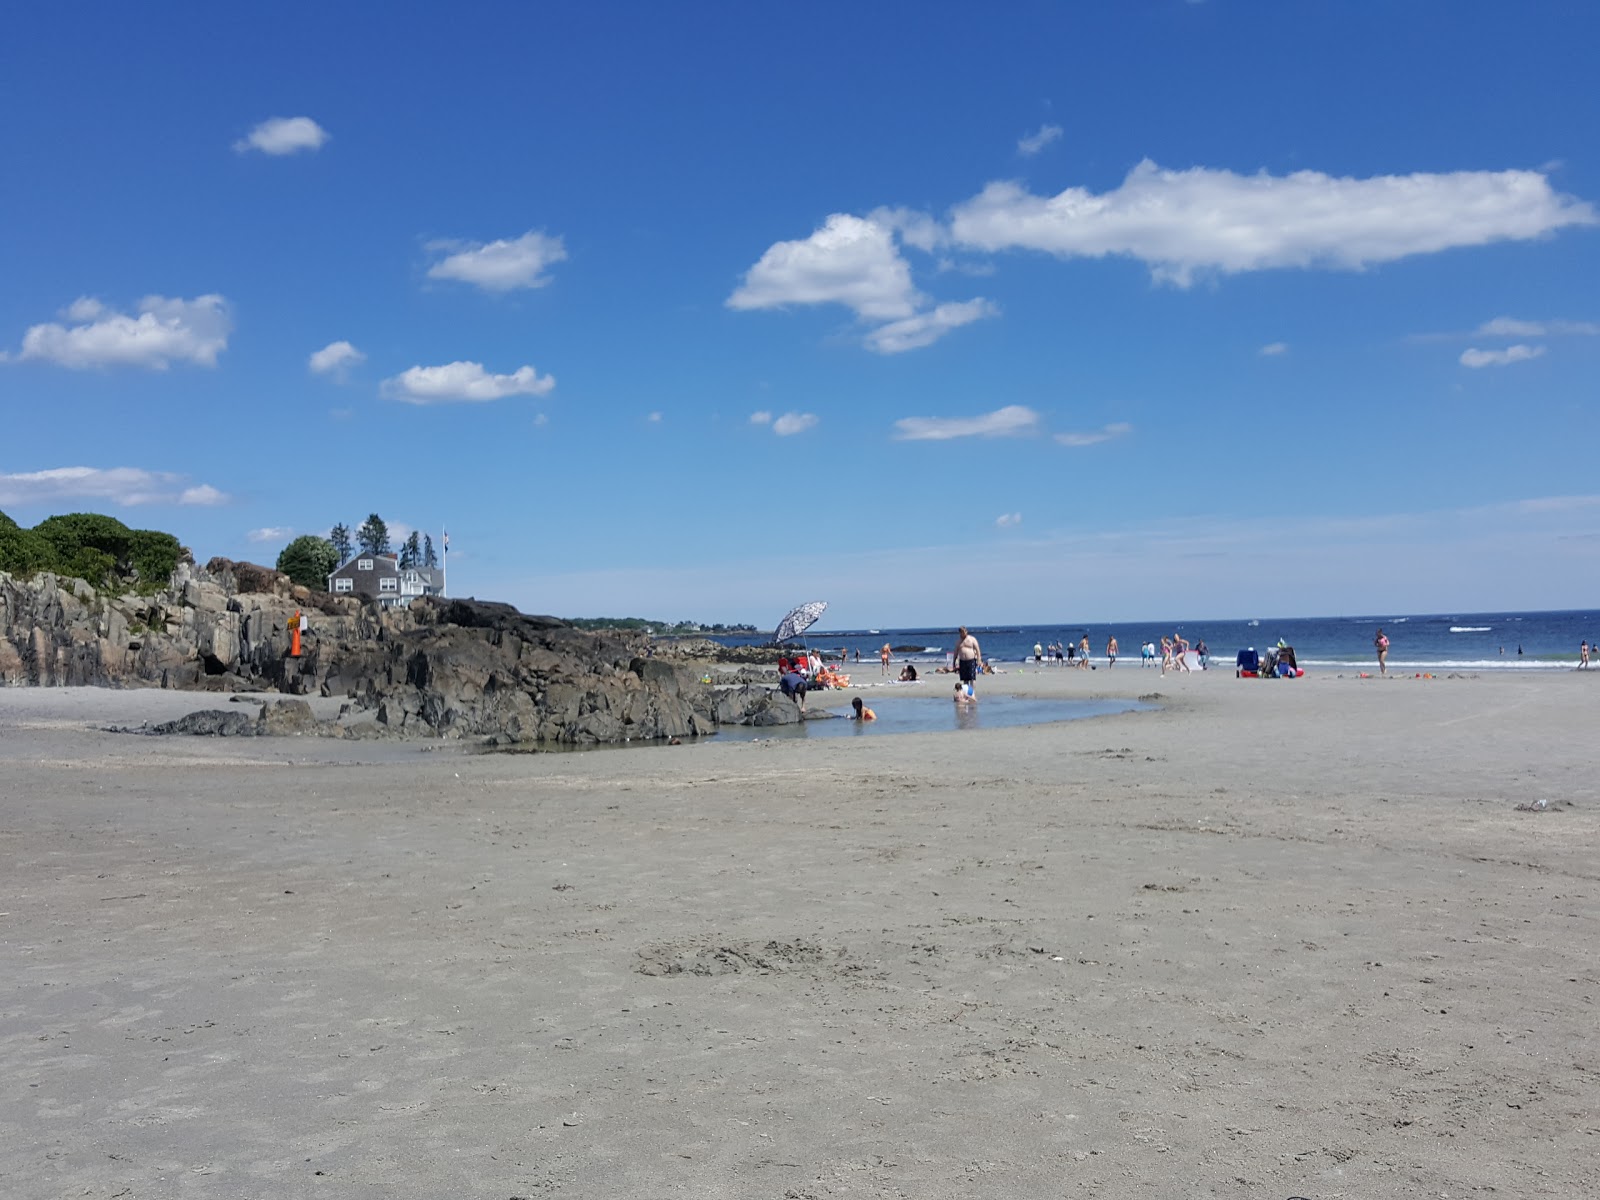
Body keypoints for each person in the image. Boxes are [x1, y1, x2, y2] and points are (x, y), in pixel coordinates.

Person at [955, 626, 982, 697]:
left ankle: (972, 693)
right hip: (962, 661)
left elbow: (978, 650)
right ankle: (966, 693)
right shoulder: (958, 641)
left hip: (971, 661)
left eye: (964, 632)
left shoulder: (972, 639)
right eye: (962, 632)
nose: (963, 634)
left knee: (972, 678)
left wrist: (979, 659)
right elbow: (955, 652)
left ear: (966, 631)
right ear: (960, 633)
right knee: (965, 679)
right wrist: (954, 661)